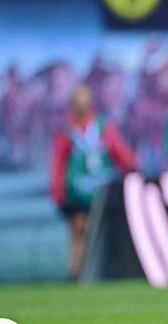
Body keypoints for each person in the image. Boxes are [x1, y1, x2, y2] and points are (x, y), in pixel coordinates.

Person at [50, 86, 137, 279]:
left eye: (84, 103)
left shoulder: (103, 127)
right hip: (77, 193)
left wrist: (132, 169)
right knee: (79, 231)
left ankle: (95, 271)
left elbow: (122, 154)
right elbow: (58, 162)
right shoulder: (67, 131)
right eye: (77, 104)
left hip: (103, 193)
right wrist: (58, 192)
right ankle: (76, 272)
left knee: (98, 233)